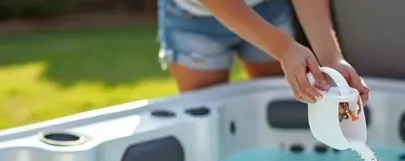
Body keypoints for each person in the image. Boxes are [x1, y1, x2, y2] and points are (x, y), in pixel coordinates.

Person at [157, 0, 370, 104]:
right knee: (204, 111)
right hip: (192, 14)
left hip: (268, 7)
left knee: (276, 104)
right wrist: (284, 48)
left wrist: (331, 57)